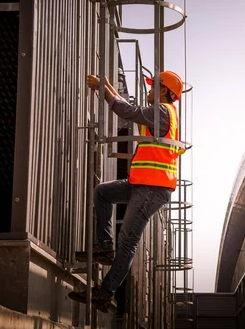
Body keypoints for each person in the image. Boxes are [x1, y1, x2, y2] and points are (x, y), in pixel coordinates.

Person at [68, 70, 184, 313]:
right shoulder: (161, 113)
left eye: (153, 87)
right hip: (141, 183)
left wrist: (103, 90)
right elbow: (129, 109)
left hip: (152, 188)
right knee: (102, 193)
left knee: (128, 241)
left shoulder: (162, 112)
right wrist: (108, 86)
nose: (149, 90)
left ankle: (105, 292)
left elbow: (127, 112)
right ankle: (105, 247)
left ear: (164, 91)